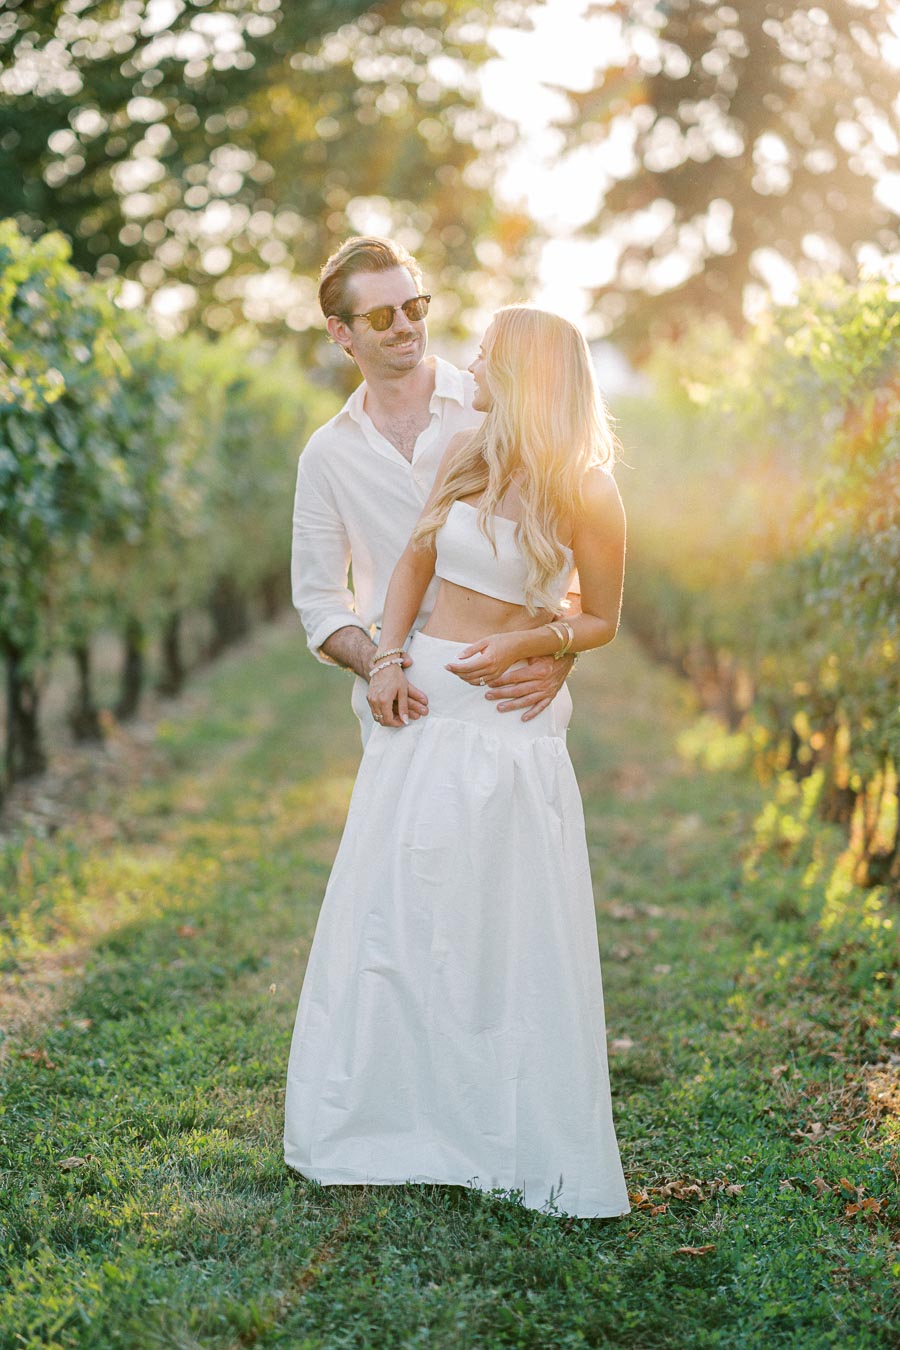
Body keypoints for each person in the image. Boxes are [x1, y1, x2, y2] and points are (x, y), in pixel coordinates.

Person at [284, 304, 631, 1219]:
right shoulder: (471, 456)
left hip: (511, 715)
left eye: (486, 353)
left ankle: (503, 1128)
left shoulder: (589, 489)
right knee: (399, 904)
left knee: (504, 915)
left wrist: (538, 650)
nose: (468, 361)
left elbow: (602, 615)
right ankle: (389, 1117)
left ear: (526, 376)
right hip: (430, 694)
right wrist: (389, 661)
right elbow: (410, 565)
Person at [291, 235, 576, 745]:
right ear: (341, 332)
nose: (404, 326)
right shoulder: (326, 455)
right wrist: (384, 664)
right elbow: (319, 600)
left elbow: (577, 543)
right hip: (402, 710)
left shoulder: (491, 400)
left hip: (508, 694)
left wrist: (559, 653)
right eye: (381, 317)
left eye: (413, 307)